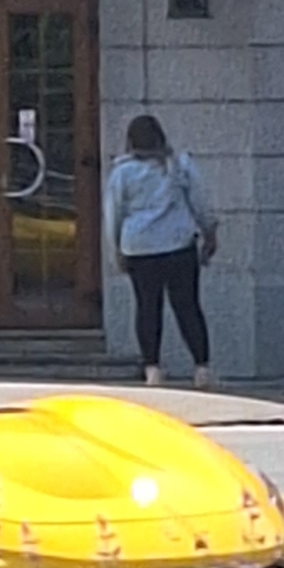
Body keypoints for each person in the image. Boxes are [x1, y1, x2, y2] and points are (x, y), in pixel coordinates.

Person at [100, 112, 218, 388]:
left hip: (139, 247)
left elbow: (113, 213)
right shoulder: (180, 164)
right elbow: (200, 201)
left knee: (147, 307)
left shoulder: (122, 172)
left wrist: (115, 249)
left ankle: (152, 367)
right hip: (179, 244)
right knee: (188, 306)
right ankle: (201, 367)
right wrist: (209, 232)